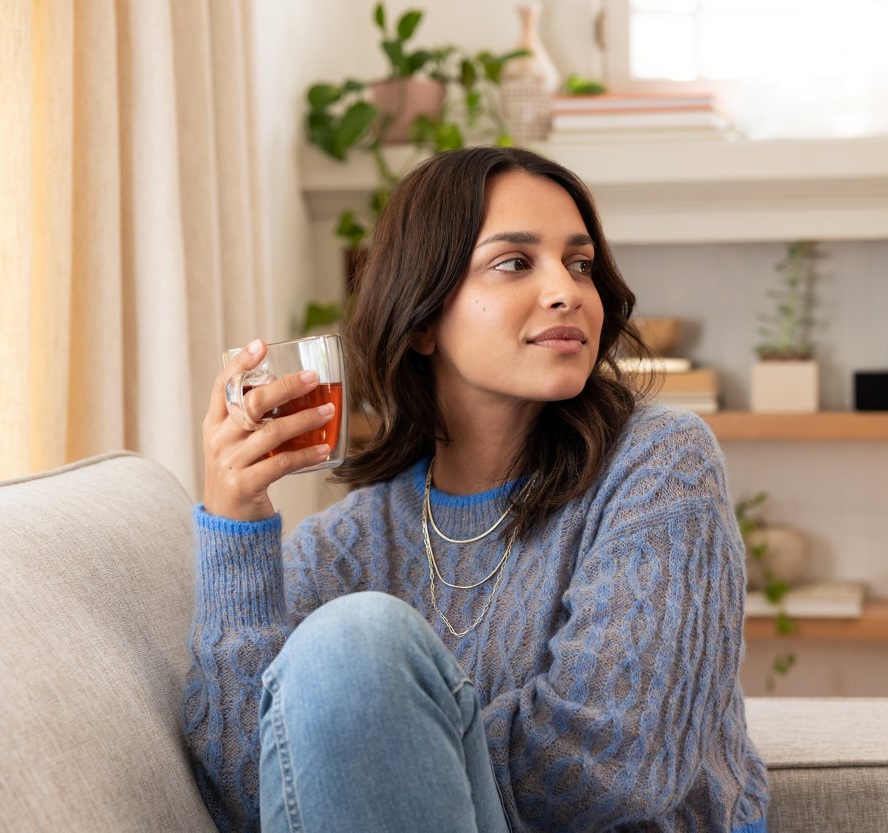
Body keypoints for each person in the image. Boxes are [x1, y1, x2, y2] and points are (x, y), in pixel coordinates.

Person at [187, 145, 769, 833]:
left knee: (356, 644)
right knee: (352, 642)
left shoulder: (661, 463)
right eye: (515, 262)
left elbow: (616, 765)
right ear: (426, 316)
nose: (568, 291)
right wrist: (237, 528)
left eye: (579, 263)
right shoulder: (344, 545)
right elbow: (248, 795)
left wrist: (385, 744)